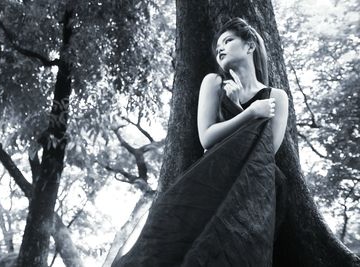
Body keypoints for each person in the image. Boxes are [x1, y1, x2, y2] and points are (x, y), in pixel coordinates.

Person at [112, 17, 289, 267]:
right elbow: (206, 137)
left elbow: (267, 150)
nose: (221, 49)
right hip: (211, 178)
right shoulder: (214, 82)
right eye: (218, 47)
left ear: (250, 46)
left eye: (228, 41)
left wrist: (238, 107)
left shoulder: (276, 97)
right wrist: (248, 112)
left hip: (254, 187)